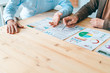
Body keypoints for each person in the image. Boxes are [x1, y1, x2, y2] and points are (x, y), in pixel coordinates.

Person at [3, 0, 73, 34]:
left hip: (46, 22)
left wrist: (59, 13)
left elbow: (68, 6)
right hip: (24, 22)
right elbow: (10, 7)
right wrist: (10, 20)